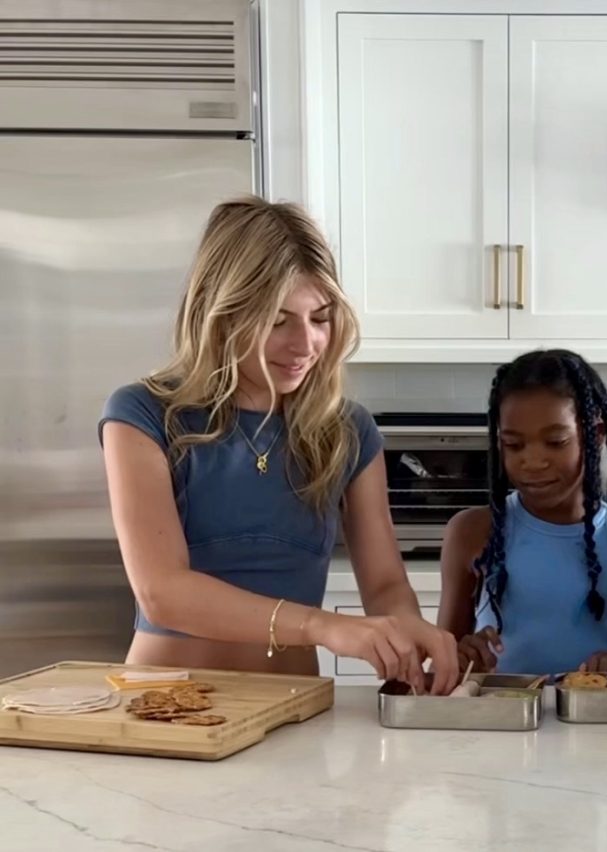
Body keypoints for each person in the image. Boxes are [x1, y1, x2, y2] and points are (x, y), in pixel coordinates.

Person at [100, 196, 458, 694]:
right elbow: (163, 593)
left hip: (293, 710)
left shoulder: (349, 431)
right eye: (277, 319)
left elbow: (385, 585)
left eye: (320, 317)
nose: (305, 343)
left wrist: (406, 626)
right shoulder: (143, 415)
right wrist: (322, 625)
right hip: (166, 705)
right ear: (221, 314)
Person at [437, 349, 607, 676]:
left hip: (592, 721)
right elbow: (443, 664)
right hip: (494, 720)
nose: (532, 462)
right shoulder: (471, 532)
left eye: (556, 442)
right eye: (514, 445)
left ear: (596, 437)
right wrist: (461, 657)